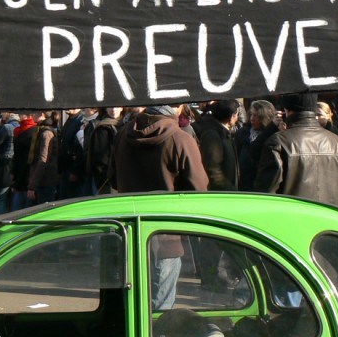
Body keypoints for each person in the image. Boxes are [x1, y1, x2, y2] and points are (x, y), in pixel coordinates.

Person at [109, 105, 208, 311]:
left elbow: (113, 180)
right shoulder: (181, 139)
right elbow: (199, 190)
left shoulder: (122, 135)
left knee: (131, 303)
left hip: (128, 231)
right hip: (165, 234)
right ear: (178, 108)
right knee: (159, 309)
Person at [254, 93, 338, 208]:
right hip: (330, 220)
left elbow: (266, 192)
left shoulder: (278, 141)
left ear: (287, 110)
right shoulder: (337, 142)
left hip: (292, 219)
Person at [194, 99, 240, 191]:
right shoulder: (213, 136)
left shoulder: (224, 132)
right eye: (237, 114)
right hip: (220, 195)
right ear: (231, 117)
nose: (237, 118)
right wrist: (230, 189)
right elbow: (213, 170)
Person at [235, 100, 281, 191]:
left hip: (264, 187)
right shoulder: (242, 133)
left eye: (256, 116)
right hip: (244, 186)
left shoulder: (274, 135)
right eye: (251, 114)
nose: (252, 118)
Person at [85, 107, 124, 194]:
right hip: (107, 180)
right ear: (105, 109)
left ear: (122, 108)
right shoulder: (102, 128)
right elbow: (100, 159)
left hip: (123, 178)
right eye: (110, 107)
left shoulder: (126, 124)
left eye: (117, 106)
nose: (113, 110)